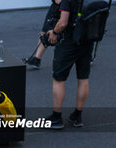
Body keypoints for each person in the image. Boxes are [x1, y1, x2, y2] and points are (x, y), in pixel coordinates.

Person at [44, 0, 94, 129]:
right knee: (83, 78)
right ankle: (77, 115)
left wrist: (54, 33)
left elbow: (63, 23)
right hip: (87, 40)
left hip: (69, 42)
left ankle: (57, 117)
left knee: (58, 79)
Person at [24, 0, 61, 69]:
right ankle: (37, 59)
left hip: (62, 9)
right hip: (56, 8)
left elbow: (58, 1)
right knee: (44, 33)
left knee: (61, 34)